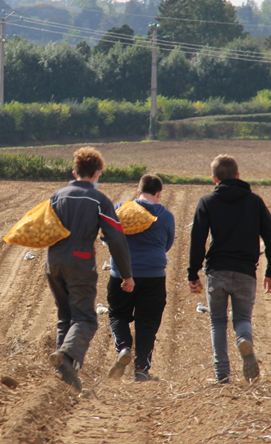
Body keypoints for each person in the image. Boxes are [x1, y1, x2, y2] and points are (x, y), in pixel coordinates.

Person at [46, 147, 134, 392]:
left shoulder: (56, 196)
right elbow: (116, 238)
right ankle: (65, 356)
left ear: (75, 172)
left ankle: (64, 372)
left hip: (53, 262)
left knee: (66, 317)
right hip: (80, 262)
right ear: (97, 173)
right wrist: (126, 275)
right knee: (85, 318)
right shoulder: (99, 200)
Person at [187, 155, 271, 384]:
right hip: (245, 271)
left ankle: (222, 376)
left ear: (214, 179)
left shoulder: (207, 202)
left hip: (216, 271)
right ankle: (243, 340)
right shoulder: (255, 202)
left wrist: (193, 273)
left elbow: (197, 239)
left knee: (217, 321)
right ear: (238, 176)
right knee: (242, 318)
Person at [106, 174, 176, 382]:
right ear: (158, 194)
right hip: (153, 275)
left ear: (138, 193)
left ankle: (124, 347)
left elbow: (110, 235)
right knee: (148, 322)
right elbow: (167, 244)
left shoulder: (121, 207)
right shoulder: (166, 216)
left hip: (121, 273)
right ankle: (141, 370)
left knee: (118, 313)